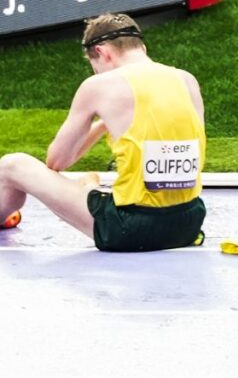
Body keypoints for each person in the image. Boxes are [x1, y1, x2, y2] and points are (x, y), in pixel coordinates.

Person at [0, 13, 206, 251]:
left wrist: (98, 125)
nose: (96, 74)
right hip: (189, 222)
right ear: (142, 47)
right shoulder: (187, 80)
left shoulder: (100, 86)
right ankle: (87, 189)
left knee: (11, 166)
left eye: (94, 66)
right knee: (94, 187)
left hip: (130, 229)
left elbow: (56, 162)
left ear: (103, 52)